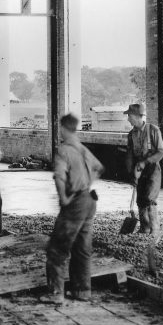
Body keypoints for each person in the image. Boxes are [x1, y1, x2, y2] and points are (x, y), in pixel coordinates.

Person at [45, 113, 104, 306]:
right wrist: (86, 184)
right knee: (82, 247)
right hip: (89, 200)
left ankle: (56, 294)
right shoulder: (82, 148)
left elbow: (59, 177)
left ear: (62, 128)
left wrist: (64, 198)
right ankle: (82, 291)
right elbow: (98, 168)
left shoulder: (64, 150)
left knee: (57, 248)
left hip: (76, 203)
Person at [124, 104, 163, 235]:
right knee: (140, 200)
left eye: (129, 116)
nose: (128, 119)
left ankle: (155, 230)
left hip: (152, 169)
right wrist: (132, 173)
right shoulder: (131, 135)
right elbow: (130, 155)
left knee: (150, 198)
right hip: (139, 170)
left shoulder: (153, 130)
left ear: (137, 116)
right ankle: (144, 229)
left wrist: (145, 162)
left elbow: (161, 152)